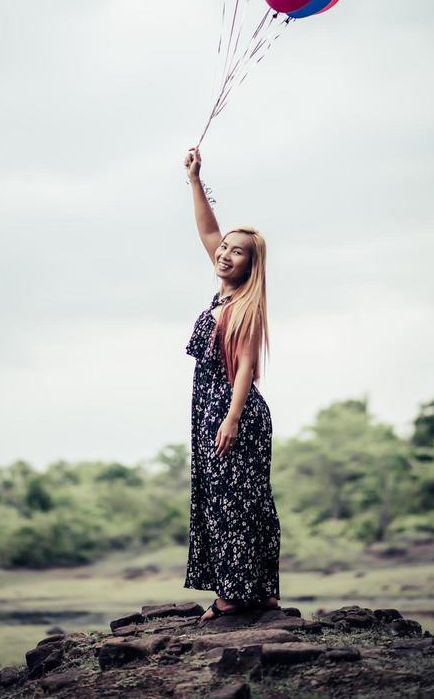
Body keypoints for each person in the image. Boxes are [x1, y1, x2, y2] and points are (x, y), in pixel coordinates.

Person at [183, 145, 281, 622]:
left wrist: (232, 418)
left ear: (249, 264)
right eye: (225, 248)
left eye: (236, 251)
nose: (224, 253)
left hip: (232, 412)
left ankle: (233, 596)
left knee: (237, 502)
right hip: (212, 412)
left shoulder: (244, 305)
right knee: (230, 497)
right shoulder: (221, 292)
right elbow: (206, 229)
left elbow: (244, 367)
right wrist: (195, 179)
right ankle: (257, 590)